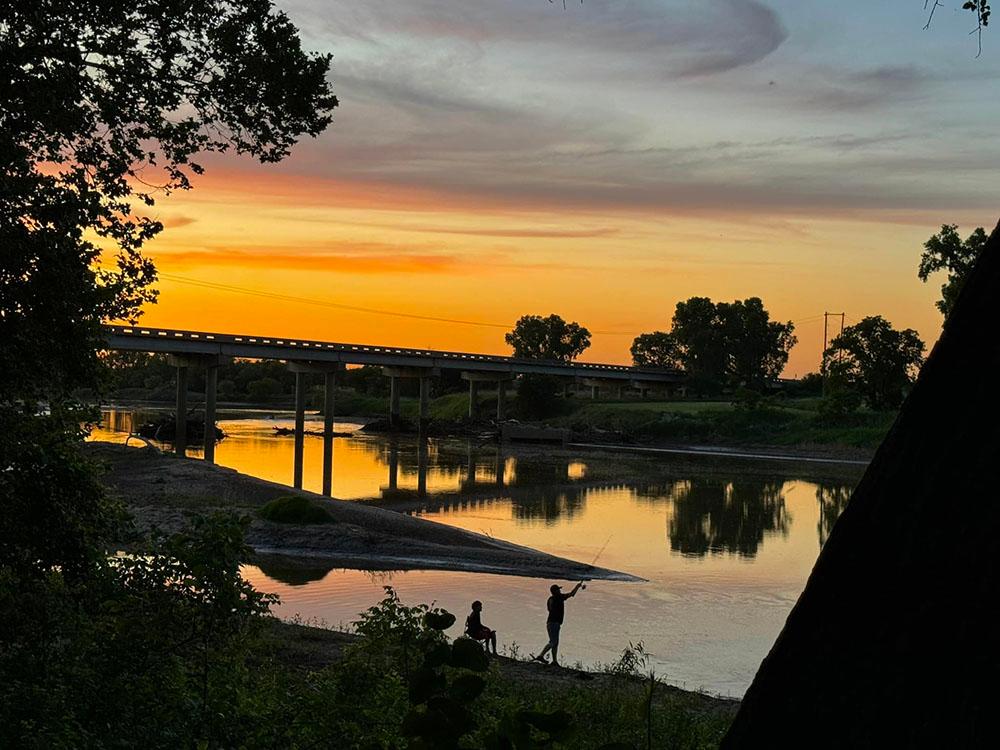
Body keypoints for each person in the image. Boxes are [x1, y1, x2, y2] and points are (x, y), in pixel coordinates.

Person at [533, 581, 584, 667]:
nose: (560, 591)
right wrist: (577, 586)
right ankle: (540, 656)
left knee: (555, 643)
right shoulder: (559, 597)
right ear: (556, 591)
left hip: (550, 623)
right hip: (554, 623)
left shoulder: (550, 599)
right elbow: (572, 594)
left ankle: (554, 661)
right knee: (553, 642)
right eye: (558, 590)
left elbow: (549, 609)